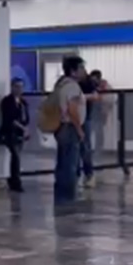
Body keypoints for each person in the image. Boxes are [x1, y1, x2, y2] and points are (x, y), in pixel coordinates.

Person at [52, 56, 87, 203]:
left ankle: (60, 195)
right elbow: (73, 110)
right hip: (69, 127)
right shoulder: (72, 87)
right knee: (70, 164)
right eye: (81, 68)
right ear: (73, 71)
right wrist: (79, 129)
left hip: (60, 127)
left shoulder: (60, 84)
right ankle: (67, 197)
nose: (84, 71)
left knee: (62, 163)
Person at [0, 78, 30, 192]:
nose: (19, 89)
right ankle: (15, 181)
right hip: (10, 132)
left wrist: (26, 129)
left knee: (17, 157)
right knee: (16, 156)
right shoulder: (7, 101)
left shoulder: (23, 103)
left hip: (20, 133)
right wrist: (23, 128)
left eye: (21, 87)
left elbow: (26, 118)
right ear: (12, 87)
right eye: (16, 86)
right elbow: (10, 118)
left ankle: (14, 179)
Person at [77, 69, 101, 188]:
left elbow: (96, 96)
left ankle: (89, 174)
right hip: (71, 118)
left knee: (85, 147)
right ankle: (75, 175)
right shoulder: (69, 82)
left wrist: (82, 97)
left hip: (85, 118)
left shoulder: (88, 82)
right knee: (73, 147)